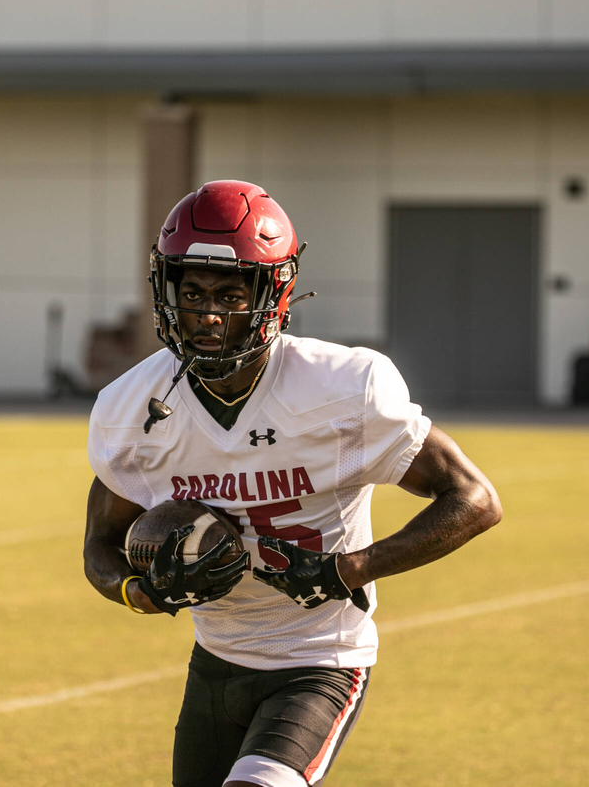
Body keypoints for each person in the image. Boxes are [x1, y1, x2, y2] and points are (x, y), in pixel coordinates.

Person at [83, 180, 501, 787]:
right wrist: (133, 589)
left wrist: (351, 568)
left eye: (229, 294)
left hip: (319, 661)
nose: (206, 313)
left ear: (273, 294)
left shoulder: (341, 388)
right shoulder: (130, 405)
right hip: (215, 662)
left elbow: (475, 499)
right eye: (192, 291)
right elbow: (100, 543)